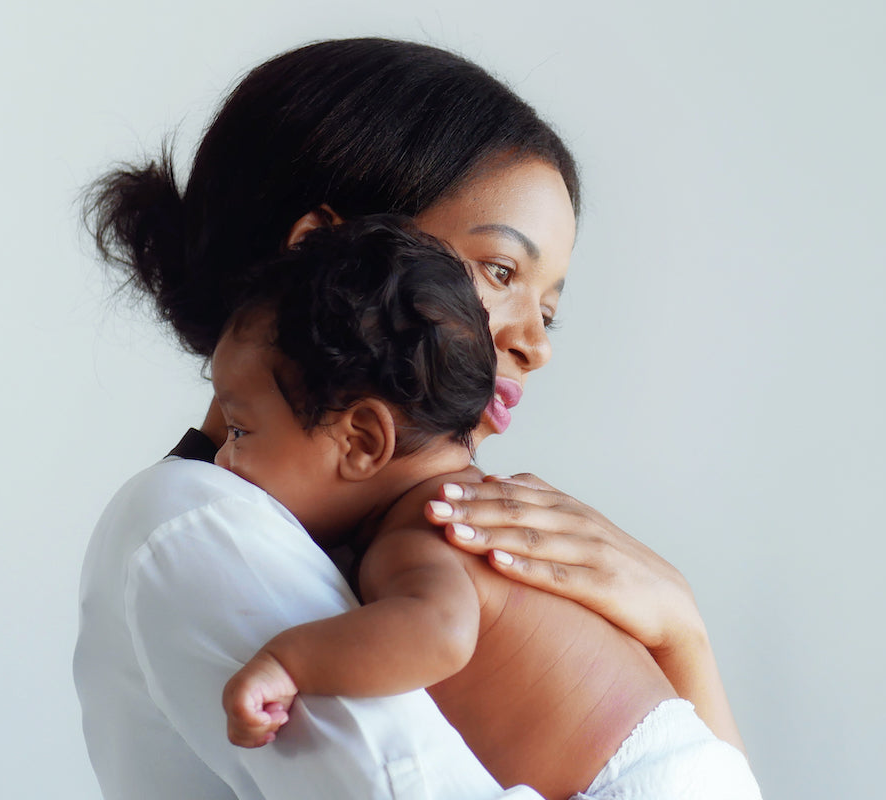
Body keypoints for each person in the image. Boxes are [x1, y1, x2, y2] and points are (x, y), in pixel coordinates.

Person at [73, 38, 743, 800]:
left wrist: (683, 638)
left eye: (549, 308)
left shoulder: (385, 533)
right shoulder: (200, 521)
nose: (535, 344)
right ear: (324, 252)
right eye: (499, 272)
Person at [206, 216, 761, 800]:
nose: (222, 460)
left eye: (240, 431)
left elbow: (439, 633)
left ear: (364, 441)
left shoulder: (422, 531)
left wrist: (289, 662)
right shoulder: (472, 500)